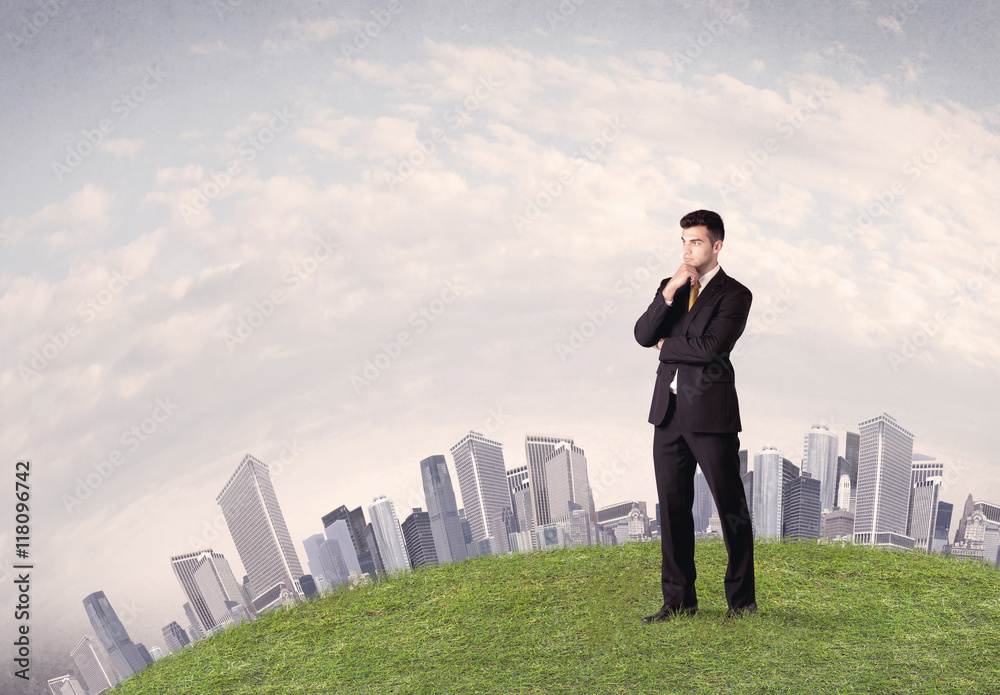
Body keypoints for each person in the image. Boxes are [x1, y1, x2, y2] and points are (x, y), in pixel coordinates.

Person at [633, 209, 757, 622]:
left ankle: (742, 603)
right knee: (672, 509)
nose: (688, 249)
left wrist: (668, 345)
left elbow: (710, 349)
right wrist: (668, 292)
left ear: (717, 245)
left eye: (697, 241)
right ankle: (679, 601)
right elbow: (642, 335)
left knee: (730, 508)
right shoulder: (671, 288)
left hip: (710, 415)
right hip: (667, 414)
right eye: (684, 241)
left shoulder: (736, 294)